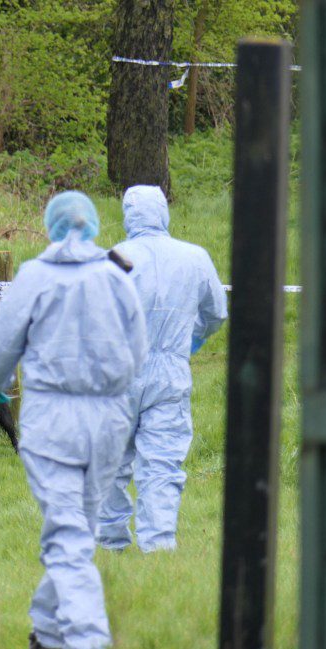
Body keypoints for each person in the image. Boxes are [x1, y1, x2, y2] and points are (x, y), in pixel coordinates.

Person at [0, 191, 147, 649]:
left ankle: (86, 637)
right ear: (93, 224)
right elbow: (138, 352)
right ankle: (47, 631)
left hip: (53, 419)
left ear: (50, 227)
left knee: (68, 529)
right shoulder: (117, 276)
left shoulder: (34, 278)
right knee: (78, 527)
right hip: (110, 419)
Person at [96, 185, 228, 553]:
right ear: (164, 212)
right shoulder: (195, 257)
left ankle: (111, 542)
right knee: (162, 462)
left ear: (127, 214)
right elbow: (216, 312)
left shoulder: (113, 259)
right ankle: (158, 546)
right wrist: (190, 343)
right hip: (170, 373)